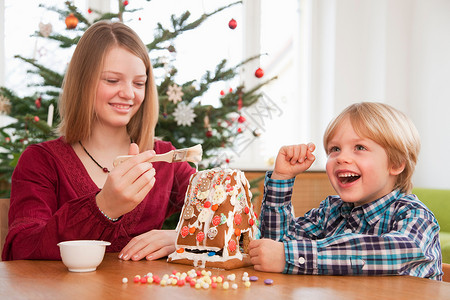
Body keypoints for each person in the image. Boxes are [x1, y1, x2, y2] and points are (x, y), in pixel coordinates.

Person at [2, 21, 196, 261]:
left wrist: (179, 238)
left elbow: (228, 216)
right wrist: (104, 207)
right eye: (112, 80)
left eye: (138, 83)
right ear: (83, 82)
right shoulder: (41, 162)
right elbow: (22, 250)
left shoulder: (166, 158)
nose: (128, 93)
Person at [248, 102, 442, 280]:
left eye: (359, 147)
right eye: (334, 149)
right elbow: (274, 247)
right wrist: (281, 178)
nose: (341, 158)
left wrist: (290, 255)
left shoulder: (415, 215)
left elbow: (394, 252)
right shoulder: (330, 211)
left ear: (396, 163)